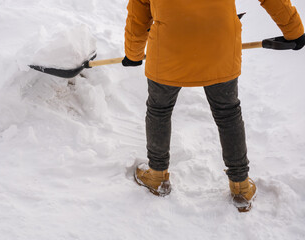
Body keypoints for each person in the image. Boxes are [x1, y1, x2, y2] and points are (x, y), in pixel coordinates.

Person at [122, 0, 304, 212]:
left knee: (159, 110)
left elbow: (139, 13)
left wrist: (133, 54)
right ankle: (241, 186)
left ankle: (156, 176)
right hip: (220, 46)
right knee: (228, 113)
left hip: (169, 50)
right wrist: (294, 31)